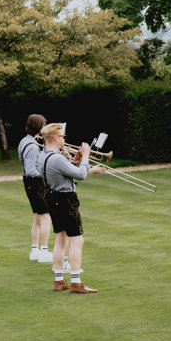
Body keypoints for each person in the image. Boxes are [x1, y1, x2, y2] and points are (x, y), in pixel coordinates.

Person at [39, 123, 106, 293]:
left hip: (52, 197)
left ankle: (59, 280)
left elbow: (67, 172)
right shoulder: (57, 158)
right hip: (65, 199)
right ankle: (76, 282)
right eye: (62, 137)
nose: (64, 139)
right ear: (55, 138)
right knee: (77, 239)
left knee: (61, 239)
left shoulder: (44, 155)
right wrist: (85, 157)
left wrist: (74, 162)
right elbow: (82, 175)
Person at [18, 114, 52, 262]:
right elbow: (32, 170)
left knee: (38, 217)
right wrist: (46, 173)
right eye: (44, 124)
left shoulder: (25, 141)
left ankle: (35, 250)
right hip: (35, 183)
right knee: (45, 217)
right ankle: (43, 251)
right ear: (38, 126)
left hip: (30, 183)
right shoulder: (32, 146)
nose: (45, 127)